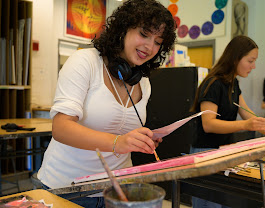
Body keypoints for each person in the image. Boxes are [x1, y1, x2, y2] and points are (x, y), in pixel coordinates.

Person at [37, 0, 176, 207]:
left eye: (158, 42)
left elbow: (123, 133)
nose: (149, 47)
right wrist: (118, 142)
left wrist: (140, 140)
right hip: (68, 190)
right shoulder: (85, 62)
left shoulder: (143, 83)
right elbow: (61, 128)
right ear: (123, 29)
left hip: (118, 191)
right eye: (144, 34)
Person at [190, 35, 265, 208]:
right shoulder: (213, 83)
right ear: (235, 58)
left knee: (223, 202)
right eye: (250, 60)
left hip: (224, 152)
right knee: (209, 204)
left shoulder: (233, 83)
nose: (254, 66)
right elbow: (209, 124)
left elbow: (247, 114)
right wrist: (245, 125)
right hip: (205, 154)